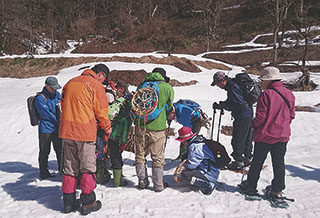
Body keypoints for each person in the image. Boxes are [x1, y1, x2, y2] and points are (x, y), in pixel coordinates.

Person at [59, 63, 112, 215]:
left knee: (69, 168)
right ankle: (88, 203)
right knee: (88, 168)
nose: (103, 82)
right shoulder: (95, 85)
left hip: (67, 131)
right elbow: (102, 111)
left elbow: (63, 105)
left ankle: (68, 203)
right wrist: (107, 127)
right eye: (104, 79)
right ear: (101, 74)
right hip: (85, 133)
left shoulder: (70, 83)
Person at [244, 67, 295, 199]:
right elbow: (291, 115)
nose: (262, 82)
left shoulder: (265, 95)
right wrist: (282, 124)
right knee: (279, 163)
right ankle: (277, 189)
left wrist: (253, 125)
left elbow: (261, 117)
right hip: (282, 135)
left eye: (263, 80)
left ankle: (251, 187)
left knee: (257, 162)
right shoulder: (289, 94)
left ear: (268, 80)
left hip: (265, 135)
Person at [134, 67, 174, 192]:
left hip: (141, 125)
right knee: (157, 157)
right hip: (158, 127)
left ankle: (142, 182)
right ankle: (158, 185)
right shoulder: (167, 88)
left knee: (140, 155)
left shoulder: (142, 85)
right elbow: (169, 106)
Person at [211, 71, 253, 170]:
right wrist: (224, 104)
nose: (218, 86)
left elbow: (238, 103)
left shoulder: (232, 87)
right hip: (248, 113)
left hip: (242, 115)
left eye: (217, 83)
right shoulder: (234, 85)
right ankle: (248, 158)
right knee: (246, 137)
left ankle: (238, 161)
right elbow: (236, 100)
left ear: (222, 80)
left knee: (238, 138)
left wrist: (224, 105)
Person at [175, 126, 219, 195]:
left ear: (186, 140)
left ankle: (208, 184)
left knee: (185, 175)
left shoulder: (194, 147)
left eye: (183, 142)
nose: (183, 144)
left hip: (208, 172)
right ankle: (203, 181)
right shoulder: (200, 140)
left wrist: (184, 166)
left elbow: (192, 165)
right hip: (211, 170)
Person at [34, 76, 62, 179]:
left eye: (56, 88)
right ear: (46, 86)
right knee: (45, 151)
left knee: (59, 150)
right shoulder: (40, 99)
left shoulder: (57, 95)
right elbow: (47, 115)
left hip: (57, 128)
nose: (55, 90)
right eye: (53, 88)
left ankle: (62, 169)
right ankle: (43, 172)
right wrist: (60, 121)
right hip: (45, 129)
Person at [107, 80, 133, 187]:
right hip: (120, 133)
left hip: (111, 131)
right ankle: (118, 181)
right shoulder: (128, 103)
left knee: (112, 154)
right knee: (117, 155)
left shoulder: (117, 101)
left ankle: (105, 176)